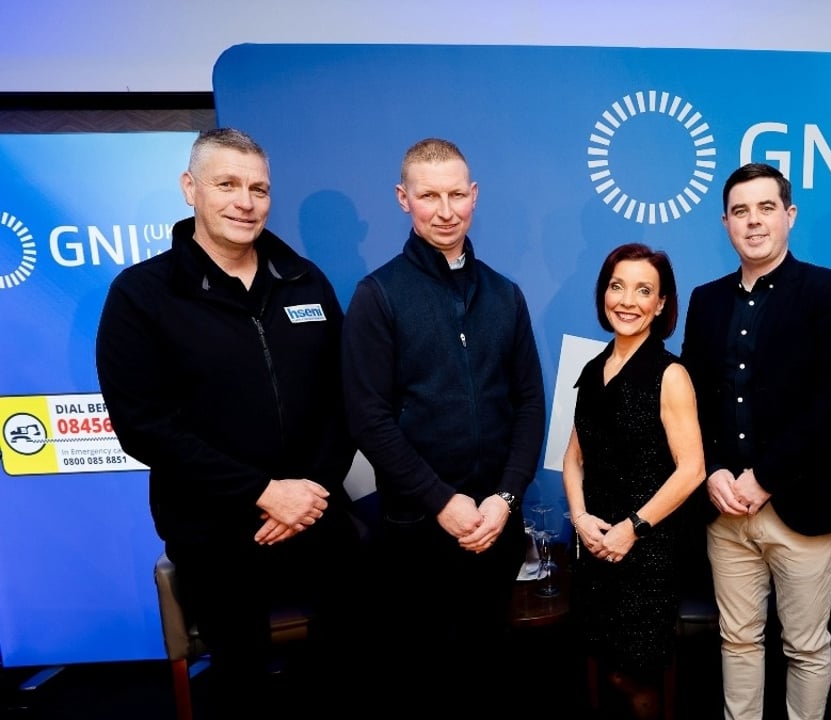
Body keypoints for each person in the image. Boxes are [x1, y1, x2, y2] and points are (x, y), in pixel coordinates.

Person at [95, 128, 365, 717]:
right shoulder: (142, 295)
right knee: (241, 678)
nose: (246, 201)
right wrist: (264, 493)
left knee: (360, 645)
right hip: (213, 527)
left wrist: (310, 494)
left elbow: (345, 400)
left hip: (315, 509)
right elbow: (143, 425)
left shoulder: (305, 281)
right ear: (190, 189)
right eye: (227, 184)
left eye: (259, 188)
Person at [341, 137, 546, 713]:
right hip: (417, 528)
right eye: (429, 196)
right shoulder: (378, 295)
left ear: (474, 196)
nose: (445, 209)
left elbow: (530, 404)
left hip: (497, 524)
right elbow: (368, 419)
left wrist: (505, 498)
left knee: (488, 667)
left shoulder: (506, 295)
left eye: (457, 194)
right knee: (424, 673)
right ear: (403, 199)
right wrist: (443, 502)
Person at [681, 162, 831, 720]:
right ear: (725, 223)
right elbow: (690, 398)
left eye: (766, 208)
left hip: (801, 504)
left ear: (789, 216)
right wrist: (711, 471)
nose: (753, 221)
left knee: (806, 646)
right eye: (740, 211)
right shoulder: (705, 299)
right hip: (724, 509)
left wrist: (763, 478)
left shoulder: (829, 289)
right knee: (737, 641)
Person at [562, 243, 704, 720]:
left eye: (644, 290)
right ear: (604, 292)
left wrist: (633, 529)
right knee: (601, 667)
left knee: (634, 675)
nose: (627, 300)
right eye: (617, 286)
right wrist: (581, 519)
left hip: (647, 554)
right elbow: (572, 460)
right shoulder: (590, 369)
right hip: (595, 546)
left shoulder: (671, 374)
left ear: (661, 304)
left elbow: (693, 470)